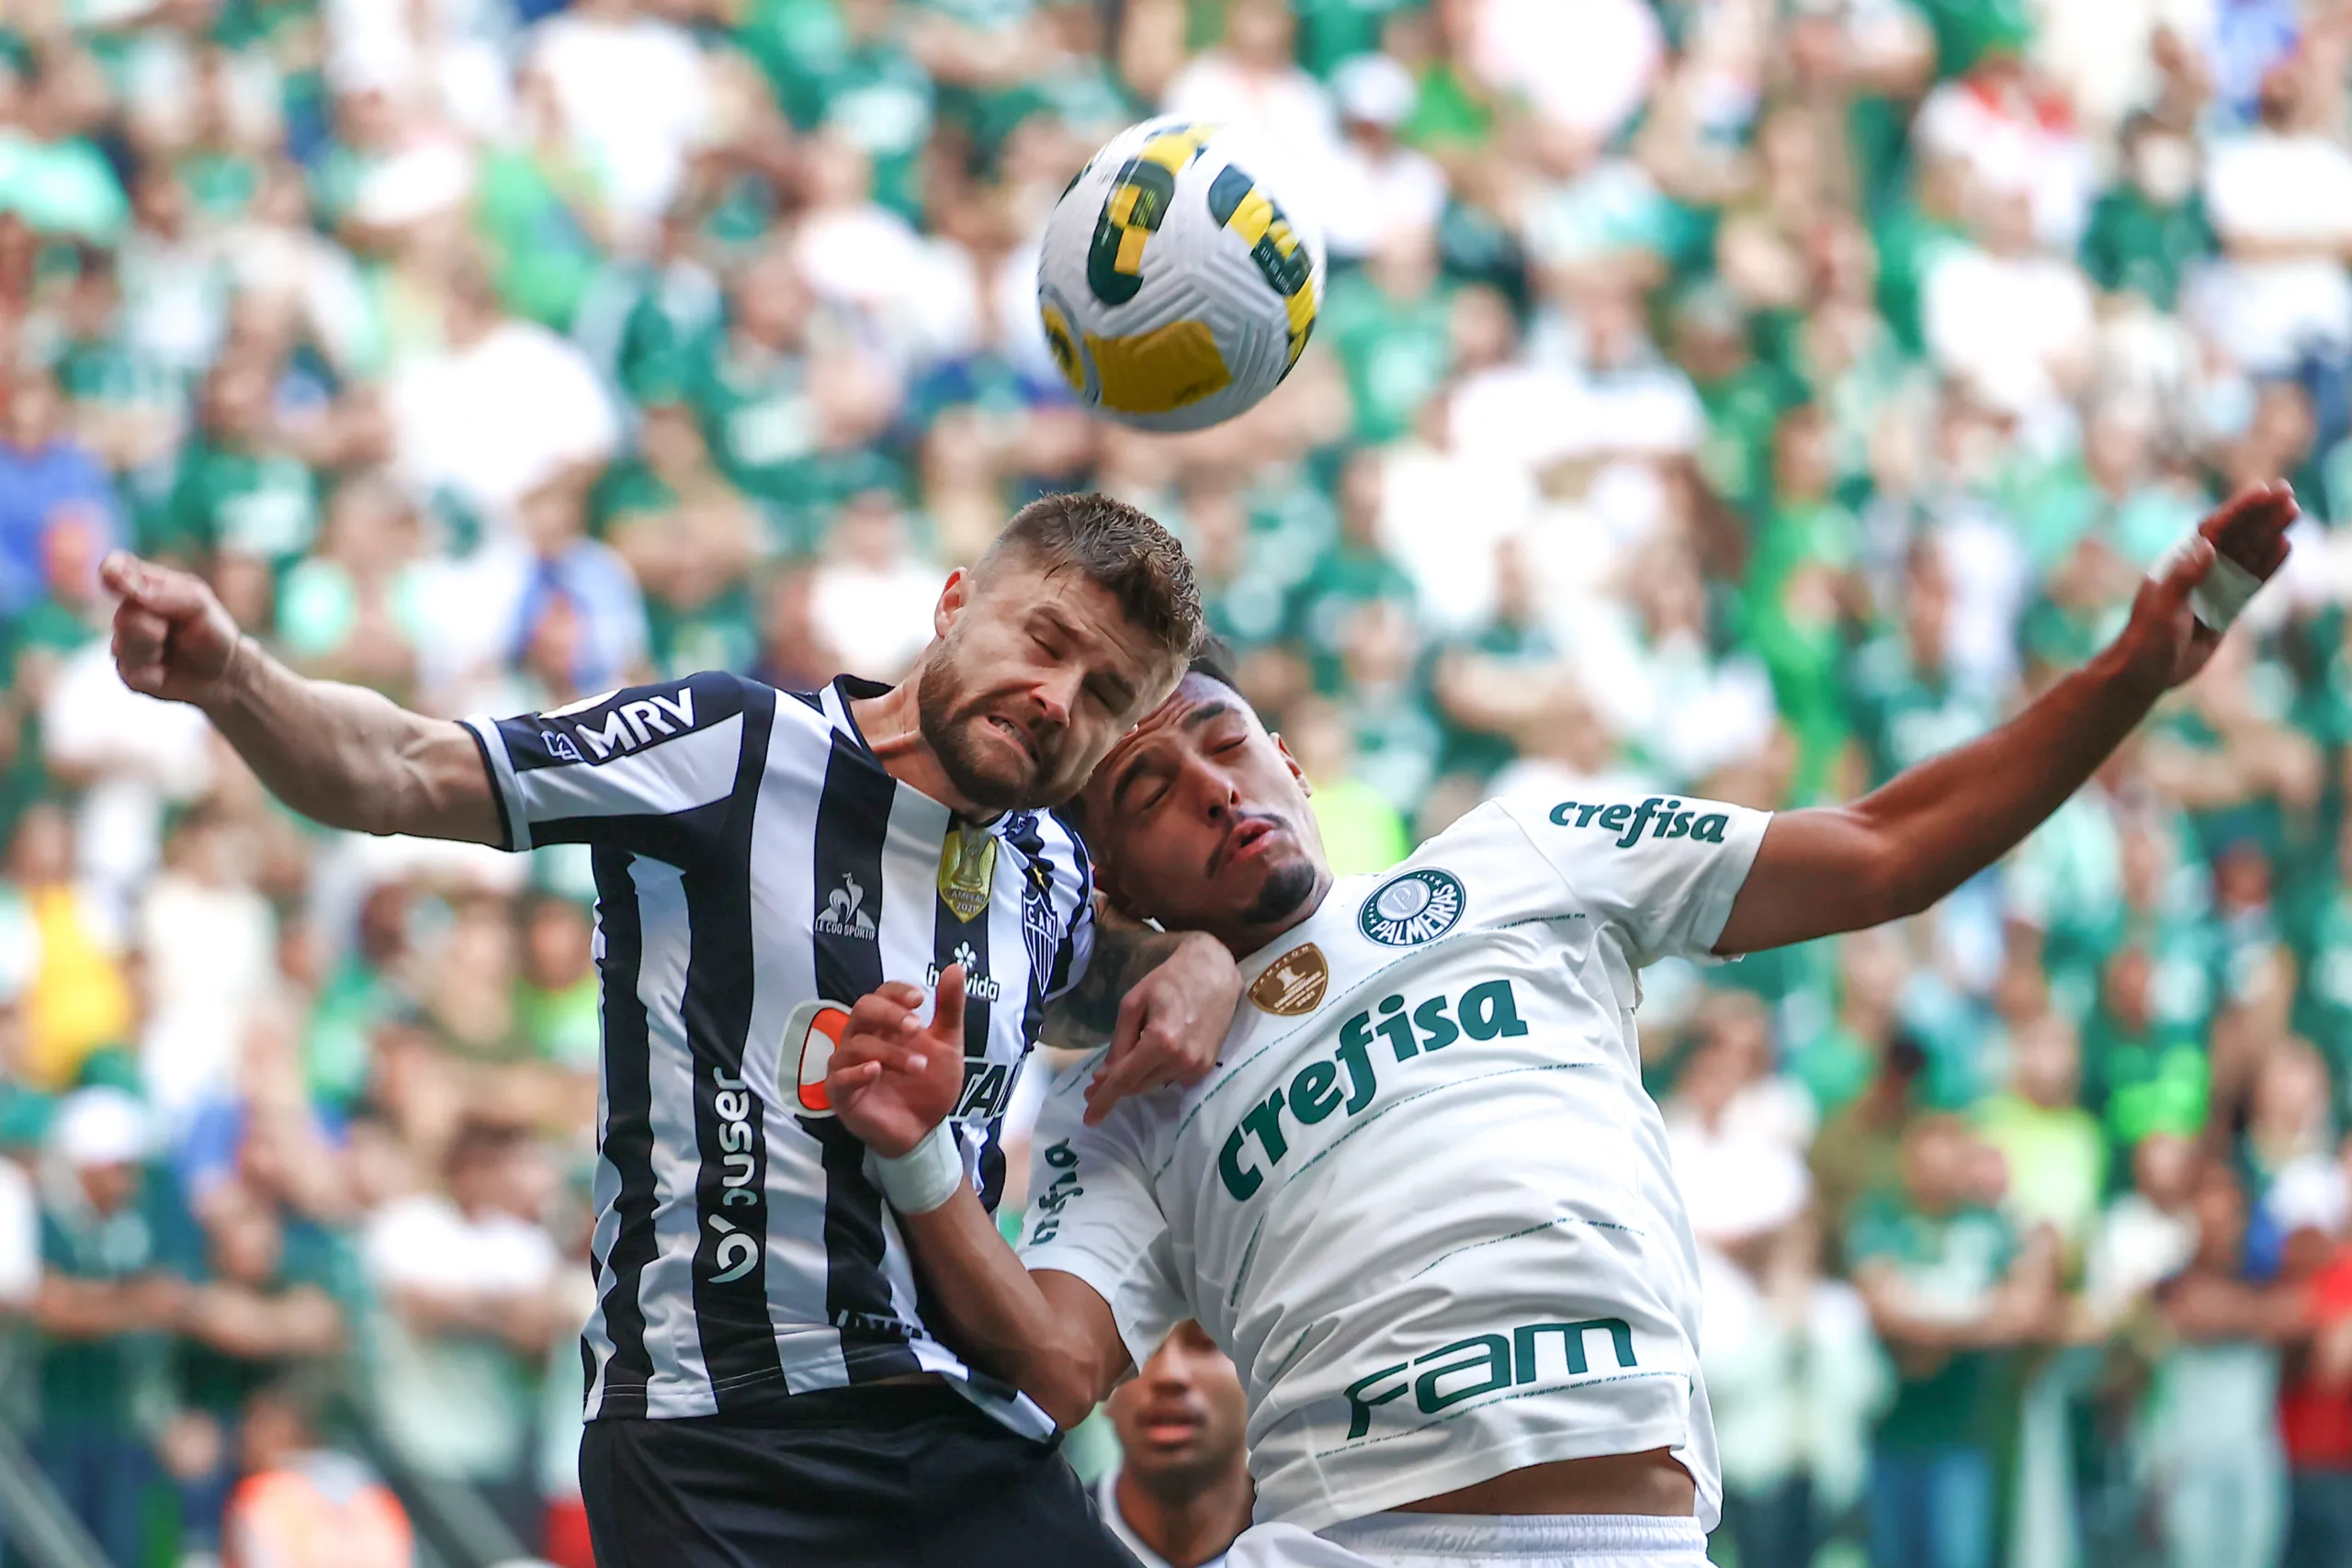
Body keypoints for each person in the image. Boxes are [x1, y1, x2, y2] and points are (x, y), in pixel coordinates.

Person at [820, 483, 2299, 1568]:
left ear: (1295, 764)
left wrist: (2127, 677)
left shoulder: (1525, 850)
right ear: (1117, 881)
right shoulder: (1126, 1091)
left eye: (1226, 743)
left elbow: (1885, 847)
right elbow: (1057, 1360)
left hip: (1630, 1535)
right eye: (1147, 797)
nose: (1212, 789)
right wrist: (915, 1160)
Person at [96, 489, 1246, 1567]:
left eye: (1105, 695)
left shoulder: (1043, 871)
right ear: (952, 604)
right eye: (1043, 641)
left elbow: (1115, 980)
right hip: (715, 1435)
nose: (1057, 698)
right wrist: (233, 678)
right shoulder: (731, 747)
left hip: (956, 1433)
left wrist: (1194, 955)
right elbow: (398, 768)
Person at [1102, 1321, 1253, 1568]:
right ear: (1101, 1386)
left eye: (1207, 1341)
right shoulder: (1032, 1542)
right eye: (1139, 1343)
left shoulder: (1322, 1545)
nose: (1169, 1374)